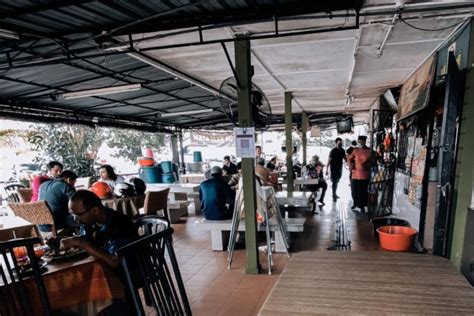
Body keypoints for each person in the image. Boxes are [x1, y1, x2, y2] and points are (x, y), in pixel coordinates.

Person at [60, 190, 138, 269]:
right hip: (101, 267)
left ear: (94, 210)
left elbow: (114, 262)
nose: (75, 219)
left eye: (78, 215)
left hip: (126, 274)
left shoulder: (120, 224)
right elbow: (88, 241)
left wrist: (80, 242)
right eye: (73, 215)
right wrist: (72, 242)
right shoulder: (91, 222)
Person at [347, 135, 372, 212]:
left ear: (364, 142)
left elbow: (374, 160)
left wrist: (368, 165)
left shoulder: (369, 151)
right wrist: (351, 166)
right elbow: (349, 158)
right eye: (358, 142)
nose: (359, 143)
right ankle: (355, 204)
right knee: (354, 191)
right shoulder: (355, 150)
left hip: (364, 175)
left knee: (363, 192)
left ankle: (362, 206)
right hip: (355, 175)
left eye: (360, 142)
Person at [326, 138, 346, 202]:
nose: (340, 144)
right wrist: (326, 169)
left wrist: (349, 163)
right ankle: (334, 194)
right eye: (339, 143)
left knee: (337, 181)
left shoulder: (342, 150)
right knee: (334, 182)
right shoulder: (333, 151)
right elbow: (329, 161)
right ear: (336, 143)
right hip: (333, 169)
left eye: (341, 143)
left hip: (340, 168)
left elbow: (345, 158)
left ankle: (334, 193)